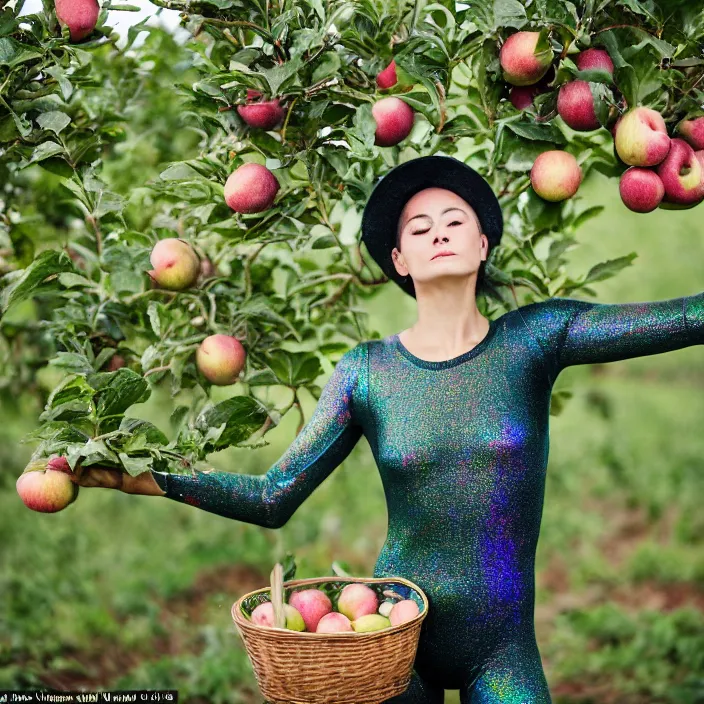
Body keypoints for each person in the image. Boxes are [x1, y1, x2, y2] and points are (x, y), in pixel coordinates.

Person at [72, 155, 704, 703]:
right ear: (399, 258)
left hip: (503, 644)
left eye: (456, 221)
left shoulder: (535, 339)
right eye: (419, 227)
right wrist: (136, 479)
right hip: (389, 632)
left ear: (484, 244)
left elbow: (683, 318)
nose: (439, 234)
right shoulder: (366, 372)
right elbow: (273, 498)